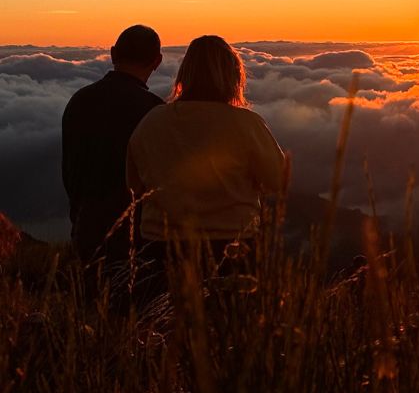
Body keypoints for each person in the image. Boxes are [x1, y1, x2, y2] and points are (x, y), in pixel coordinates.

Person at [127, 35, 284, 276]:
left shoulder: (152, 121)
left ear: (184, 74)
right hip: (232, 248)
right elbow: (278, 180)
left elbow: (134, 185)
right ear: (234, 75)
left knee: (164, 314)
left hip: (160, 249)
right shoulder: (246, 124)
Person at [62, 25, 164, 292]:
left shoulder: (79, 101)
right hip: (140, 237)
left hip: (87, 229)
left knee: (96, 317)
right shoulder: (155, 112)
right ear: (157, 61)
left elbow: (71, 173)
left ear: (112, 54)